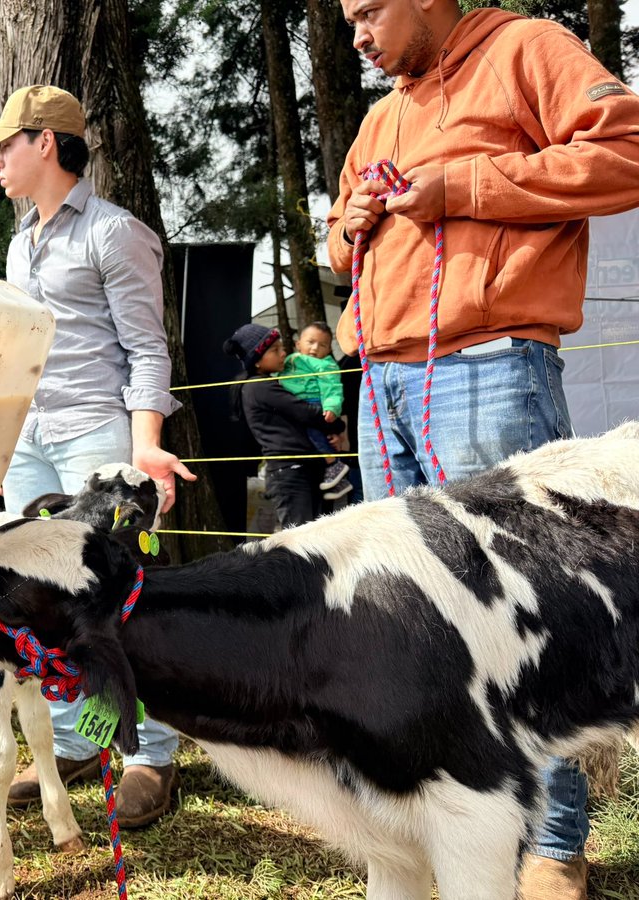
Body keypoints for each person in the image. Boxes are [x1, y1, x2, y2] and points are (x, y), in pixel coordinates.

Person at [329, 2, 639, 896]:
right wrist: (349, 221)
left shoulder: (526, 48)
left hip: (487, 365)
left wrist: (464, 186)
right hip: (382, 379)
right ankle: (463, 831)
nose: (357, 35)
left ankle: (554, 849)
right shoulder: (383, 113)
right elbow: (338, 245)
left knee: (526, 616)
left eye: (368, 12)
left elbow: (625, 151)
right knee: (417, 620)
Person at [0, 84, 195, 828]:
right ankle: (77, 739)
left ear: (45, 142)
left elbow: (148, 348)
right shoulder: (20, 242)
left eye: (5, 145)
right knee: (38, 598)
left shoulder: (116, 233)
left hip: (96, 436)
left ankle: (152, 755)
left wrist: (146, 445)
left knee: (120, 595)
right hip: (29, 440)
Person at [224, 324, 345, 528]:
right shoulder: (262, 387)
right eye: (275, 350)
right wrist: (337, 425)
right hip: (290, 472)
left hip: (299, 469)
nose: (283, 354)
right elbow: (307, 413)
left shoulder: (267, 384)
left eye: (282, 348)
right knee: (301, 541)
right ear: (257, 361)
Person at [279, 321, 352, 500]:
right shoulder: (291, 360)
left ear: (328, 350)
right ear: (298, 344)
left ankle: (333, 464)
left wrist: (331, 407)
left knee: (314, 433)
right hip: (294, 401)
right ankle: (341, 482)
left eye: (322, 345)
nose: (315, 348)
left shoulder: (326, 365)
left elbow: (332, 388)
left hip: (314, 401)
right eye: (310, 342)